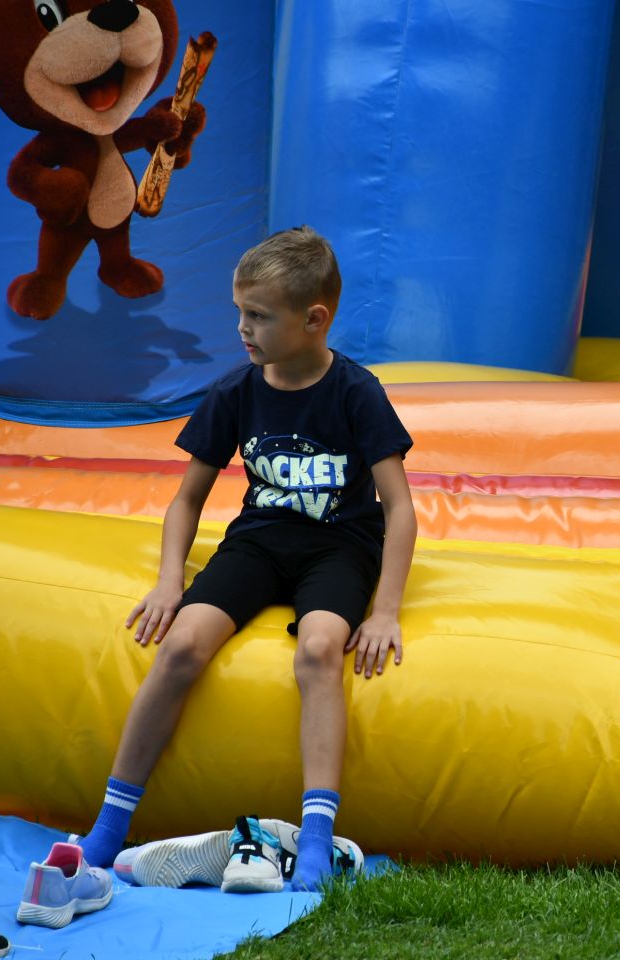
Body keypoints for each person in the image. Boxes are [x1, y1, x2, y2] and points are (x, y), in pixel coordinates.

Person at [73, 226, 417, 890]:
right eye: (240, 312)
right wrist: (172, 580)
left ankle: (315, 837)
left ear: (315, 320)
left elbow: (399, 506)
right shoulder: (237, 390)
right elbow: (187, 500)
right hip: (259, 540)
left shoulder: (355, 390)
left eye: (258, 316)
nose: (242, 328)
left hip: (339, 545)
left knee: (319, 650)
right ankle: (110, 827)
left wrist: (387, 611)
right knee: (179, 647)